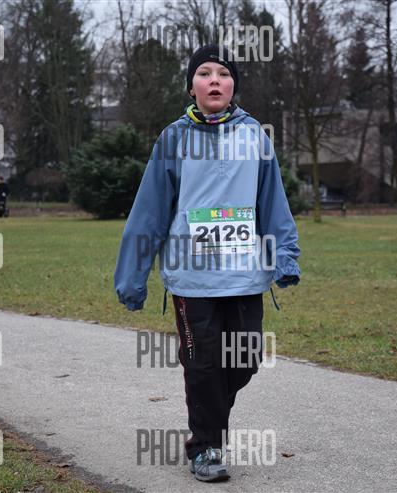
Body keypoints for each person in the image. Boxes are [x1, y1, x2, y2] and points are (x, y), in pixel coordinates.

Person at [114, 44, 300, 482]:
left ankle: (207, 425)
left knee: (245, 359)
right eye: (204, 73)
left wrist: (285, 257)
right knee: (201, 365)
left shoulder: (255, 136)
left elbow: (273, 202)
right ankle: (205, 447)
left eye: (223, 73)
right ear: (191, 87)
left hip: (244, 275)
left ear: (233, 85)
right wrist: (133, 279)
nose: (214, 80)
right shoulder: (173, 139)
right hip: (191, 278)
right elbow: (149, 212)